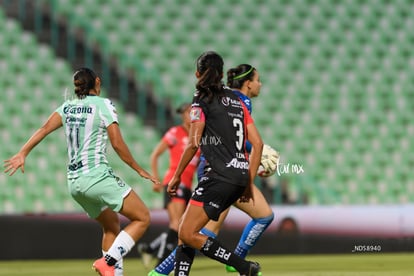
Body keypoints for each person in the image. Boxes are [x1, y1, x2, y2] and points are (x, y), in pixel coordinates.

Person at [3, 67, 160, 276]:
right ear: (97, 82)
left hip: (75, 184)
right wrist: (139, 169)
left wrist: (23, 152)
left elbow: (43, 129)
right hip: (97, 176)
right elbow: (118, 144)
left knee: (112, 225)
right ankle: (109, 261)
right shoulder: (104, 105)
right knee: (142, 218)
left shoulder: (67, 107)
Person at [148, 64, 273, 276]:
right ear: (248, 83)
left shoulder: (218, 97)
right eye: (258, 80)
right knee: (198, 230)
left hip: (222, 170)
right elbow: (233, 139)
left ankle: (162, 272)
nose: (260, 84)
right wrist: (257, 159)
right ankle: (238, 262)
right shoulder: (240, 101)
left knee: (201, 230)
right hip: (223, 171)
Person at [138, 102, 200, 267]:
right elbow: (155, 155)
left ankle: (151, 249)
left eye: (189, 112)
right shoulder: (175, 132)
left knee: (181, 226)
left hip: (187, 186)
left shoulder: (198, 135)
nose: (186, 115)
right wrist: (156, 179)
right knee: (177, 225)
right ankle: (161, 264)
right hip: (173, 182)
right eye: (184, 113)